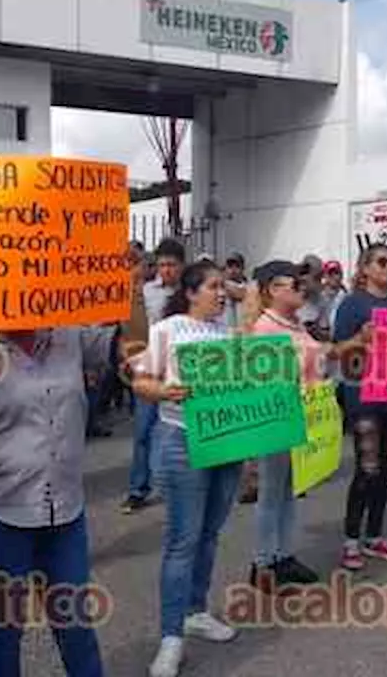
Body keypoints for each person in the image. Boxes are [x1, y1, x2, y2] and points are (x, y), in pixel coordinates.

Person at [0, 267, 144, 677]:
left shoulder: (68, 335)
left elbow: (134, 350)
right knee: (5, 625)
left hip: (63, 509)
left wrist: (130, 290)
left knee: (74, 623)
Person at [133, 261, 241, 677]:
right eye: (213, 287)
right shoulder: (169, 329)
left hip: (227, 443)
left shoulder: (227, 335)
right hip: (182, 440)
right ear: (192, 292)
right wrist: (163, 390)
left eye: (222, 288)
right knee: (183, 540)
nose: (220, 294)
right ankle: (171, 636)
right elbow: (141, 381)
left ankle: (196, 610)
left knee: (210, 534)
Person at [245, 260, 371, 591]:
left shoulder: (295, 324)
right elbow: (264, 379)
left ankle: (283, 555)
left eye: (303, 284)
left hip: (302, 419)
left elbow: (320, 355)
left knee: (289, 491)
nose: (304, 289)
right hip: (277, 421)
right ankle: (262, 564)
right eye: (295, 284)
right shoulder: (265, 328)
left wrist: (354, 342)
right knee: (271, 494)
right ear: (273, 290)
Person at [333, 243, 387, 570]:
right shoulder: (352, 305)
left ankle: (375, 536)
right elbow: (336, 350)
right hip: (364, 397)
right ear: (365, 268)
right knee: (367, 470)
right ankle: (351, 540)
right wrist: (361, 339)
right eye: (382, 261)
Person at [122, 238, 186, 515]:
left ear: (182, 266)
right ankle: (138, 489)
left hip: (182, 372)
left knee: (183, 432)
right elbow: (133, 326)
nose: (166, 270)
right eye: (161, 265)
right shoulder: (145, 292)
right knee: (143, 433)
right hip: (152, 369)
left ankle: (183, 487)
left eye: (172, 265)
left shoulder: (192, 294)